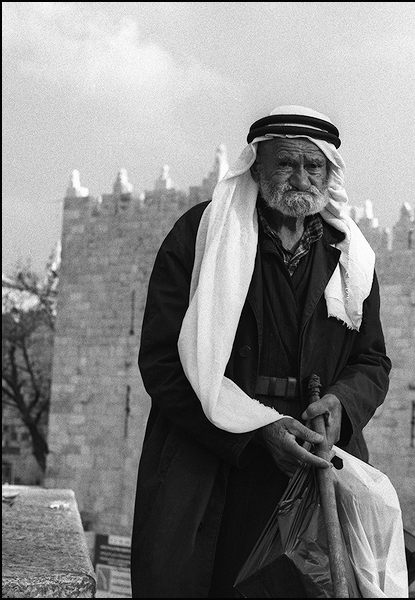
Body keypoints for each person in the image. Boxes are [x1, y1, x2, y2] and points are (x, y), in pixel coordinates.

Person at [131, 105, 391, 597]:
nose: (300, 178)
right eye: (285, 164)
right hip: (212, 459)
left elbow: (372, 360)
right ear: (255, 166)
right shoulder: (202, 238)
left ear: (329, 172)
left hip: (314, 460)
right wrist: (257, 430)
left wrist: (344, 406)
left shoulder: (351, 256)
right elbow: (163, 360)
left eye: (313, 166)